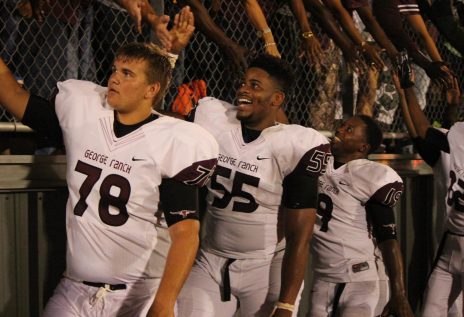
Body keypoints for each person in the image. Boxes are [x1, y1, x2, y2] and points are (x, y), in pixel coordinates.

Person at [0, 7, 220, 317]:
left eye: (126, 74)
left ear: (151, 90)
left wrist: (164, 302)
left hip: (139, 295)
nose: (114, 78)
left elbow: (185, 234)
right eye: (115, 70)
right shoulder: (84, 114)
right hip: (74, 288)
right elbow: (11, 93)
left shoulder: (172, 141)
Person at [175, 54, 331, 317]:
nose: (243, 89)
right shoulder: (214, 117)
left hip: (266, 266)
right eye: (244, 83)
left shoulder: (294, 145)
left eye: (255, 85)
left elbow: (299, 237)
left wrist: (286, 304)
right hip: (211, 259)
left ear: (276, 99)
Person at [308, 114, 414, 317]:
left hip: (362, 281)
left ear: (363, 147)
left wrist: (399, 293)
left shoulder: (370, 175)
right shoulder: (317, 160)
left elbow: (388, 238)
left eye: (349, 130)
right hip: (323, 276)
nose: (339, 130)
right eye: (341, 126)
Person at [401, 70, 464, 316]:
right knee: (431, 310)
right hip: (450, 241)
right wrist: (407, 87)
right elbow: (426, 130)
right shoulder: (463, 140)